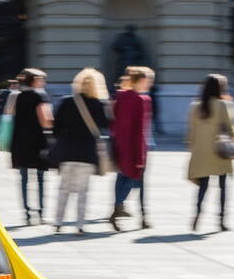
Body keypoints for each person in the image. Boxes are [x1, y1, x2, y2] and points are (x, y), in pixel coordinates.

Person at [49, 68, 109, 235]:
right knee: (83, 191)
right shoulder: (98, 104)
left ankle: (58, 223)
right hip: (87, 153)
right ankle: (80, 225)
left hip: (67, 152)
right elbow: (104, 126)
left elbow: (55, 129)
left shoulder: (66, 102)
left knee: (63, 190)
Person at [186, 74, 234, 232]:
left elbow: (190, 132)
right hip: (220, 151)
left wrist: (192, 148)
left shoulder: (196, 106)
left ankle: (197, 215)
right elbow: (233, 128)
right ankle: (221, 221)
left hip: (201, 152)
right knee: (222, 187)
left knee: (202, 187)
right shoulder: (224, 105)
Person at [109, 66, 155, 231]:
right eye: (148, 80)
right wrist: (141, 157)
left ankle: (119, 208)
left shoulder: (119, 96)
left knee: (121, 178)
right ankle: (124, 211)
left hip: (120, 145)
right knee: (138, 181)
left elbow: (112, 121)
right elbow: (141, 130)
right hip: (135, 148)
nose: (149, 84)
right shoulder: (142, 100)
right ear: (142, 81)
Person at [10, 68, 53, 225]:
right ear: (35, 80)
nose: (44, 82)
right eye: (42, 79)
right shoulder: (40, 95)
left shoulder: (18, 96)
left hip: (20, 141)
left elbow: (12, 114)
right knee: (41, 178)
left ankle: (27, 214)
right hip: (37, 141)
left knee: (24, 178)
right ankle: (41, 213)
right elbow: (45, 120)